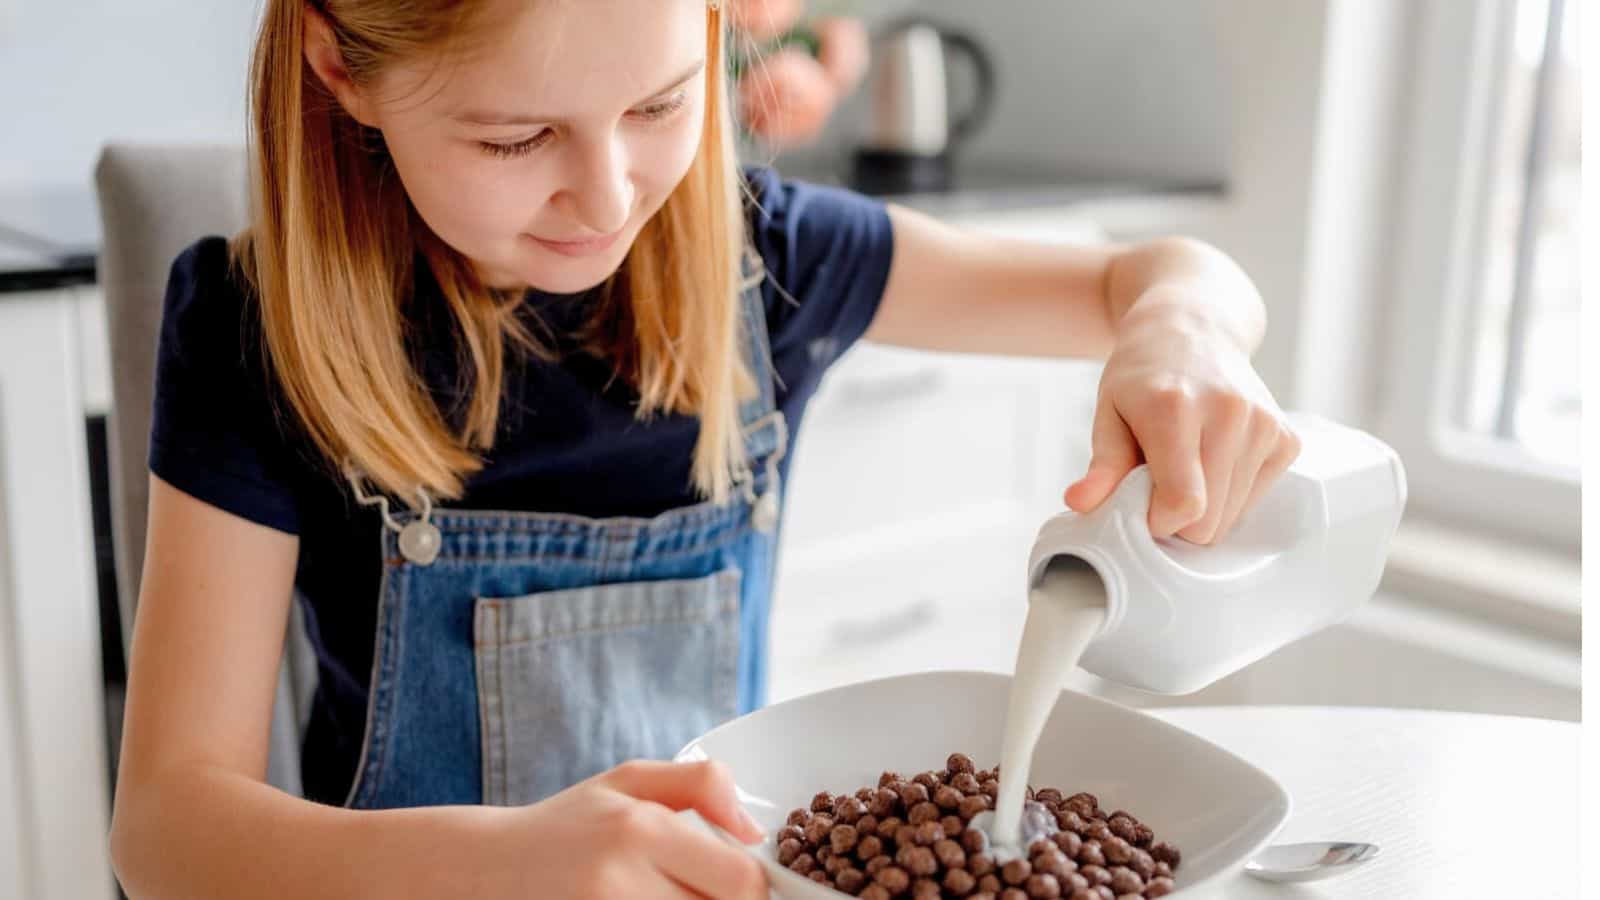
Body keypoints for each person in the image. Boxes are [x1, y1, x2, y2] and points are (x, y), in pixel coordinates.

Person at [108, 1, 1299, 897]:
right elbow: (165, 830)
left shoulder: (768, 261)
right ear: (338, 67)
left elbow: (1150, 275)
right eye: (518, 139)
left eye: (659, 106)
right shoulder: (251, 333)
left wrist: (1182, 328)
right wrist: (506, 864)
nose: (608, 195)